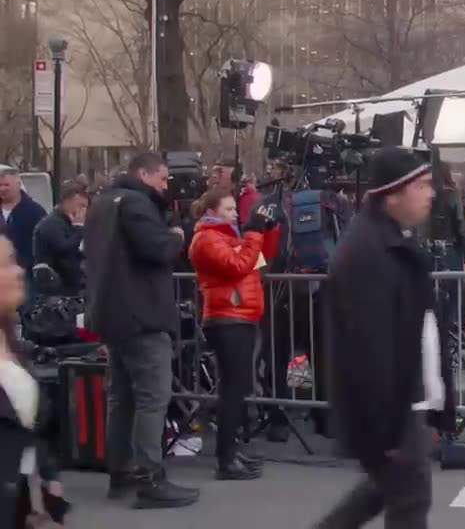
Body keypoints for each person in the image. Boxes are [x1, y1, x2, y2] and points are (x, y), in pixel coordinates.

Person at [319, 148, 443, 529]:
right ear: (393, 193)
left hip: (399, 398)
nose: (431, 193)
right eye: (421, 185)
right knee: (409, 496)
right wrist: (384, 428)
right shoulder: (368, 253)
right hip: (386, 406)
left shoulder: (389, 240)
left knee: (383, 490)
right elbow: (369, 350)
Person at [83, 152, 199, 508]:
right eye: (163, 179)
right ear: (144, 174)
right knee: (152, 396)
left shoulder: (102, 204)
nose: (166, 186)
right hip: (142, 314)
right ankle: (151, 478)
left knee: (122, 397)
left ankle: (121, 472)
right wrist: (177, 234)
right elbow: (157, 249)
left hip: (112, 313)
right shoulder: (135, 204)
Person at [188, 187, 278, 481]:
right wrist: (253, 234)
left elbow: (259, 262)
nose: (235, 214)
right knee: (232, 390)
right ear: (211, 212)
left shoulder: (231, 238)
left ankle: (233, 451)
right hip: (227, 318)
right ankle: (226, 459)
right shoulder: (205, 239)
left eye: (234, 210)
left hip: (241, 316)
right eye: (228, 209)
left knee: (237, 389)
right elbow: (238, 266)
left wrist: (269, 229)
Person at [0, 227, 68, 528]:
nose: (19, 271)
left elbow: (31, 431)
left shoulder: (11, 340)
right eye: (7, 263)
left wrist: (50, 483)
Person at [31, 182, 89, 296]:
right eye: (81, 206)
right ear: (67, 202)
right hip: (55, 286)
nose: (84, 211)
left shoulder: (66, 223)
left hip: (69, 285)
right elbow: (63, 250)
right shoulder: (51, 223)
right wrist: (79, 229)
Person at [0, 165, 46, 278]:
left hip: (25, 277)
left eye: (6, 185)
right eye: (0, 185)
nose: (2, 189)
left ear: (18, 184)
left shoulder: (35, 211)